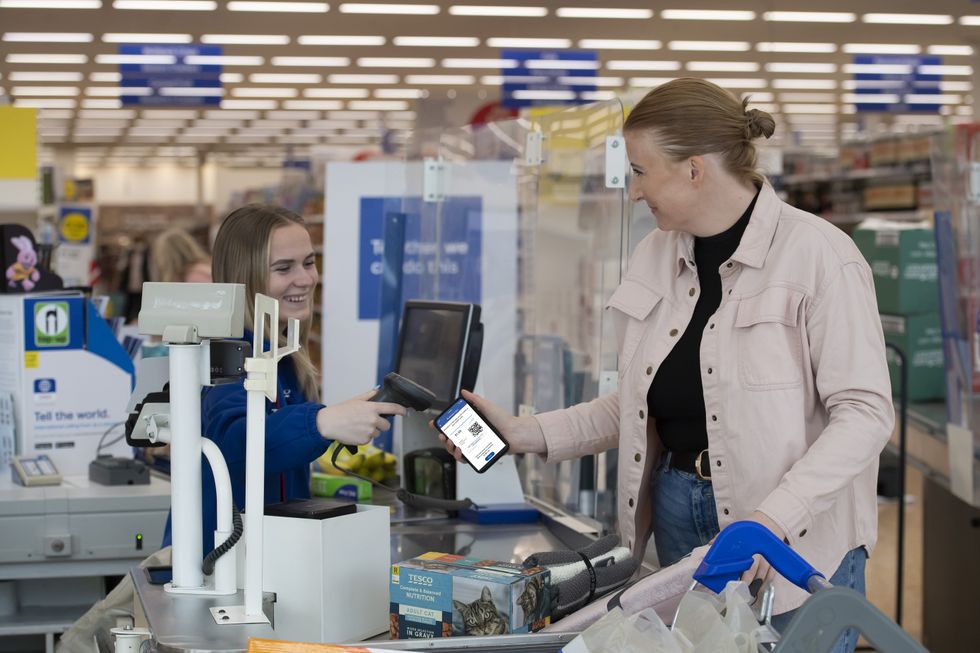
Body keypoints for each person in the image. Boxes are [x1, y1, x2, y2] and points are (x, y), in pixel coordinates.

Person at [441, 78, 893, 653]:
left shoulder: (820, 258)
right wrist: (523, 434)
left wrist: (770, 521)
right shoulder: (655, 254)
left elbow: (864, 416)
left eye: (640, 170)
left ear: (694, 170)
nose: (632, 191)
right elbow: (637, 401)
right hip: (679, 522)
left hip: (792, 542)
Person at [162, 203, 406, 554]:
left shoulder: (284, 355)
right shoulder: (226, 352)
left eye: (309, 262)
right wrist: (321, 422)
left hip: (266, 558)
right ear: (246, 276)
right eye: (283, 268)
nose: (305, 279)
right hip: (219, 566)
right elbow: (236, 441)